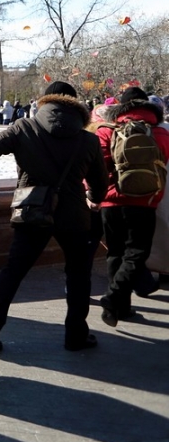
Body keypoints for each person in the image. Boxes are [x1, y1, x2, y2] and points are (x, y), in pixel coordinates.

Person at [0, 81, 108, 352]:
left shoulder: (24, 128)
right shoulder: (88, 140)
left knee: (14, 270)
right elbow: (99, 182)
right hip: (73, 215)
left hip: (33, 209)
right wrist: (93, 198)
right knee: (79, 274)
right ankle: (76, 335)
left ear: (45, 102)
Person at [94, 87, 169, 326]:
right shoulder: (160, 132)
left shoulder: (105, 132)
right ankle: (113, 298)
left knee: (115, 252)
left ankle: (120, 307)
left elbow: (97, 167)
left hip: (110, 201)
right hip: (144, 200)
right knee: (137, 253)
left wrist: (94, 193)